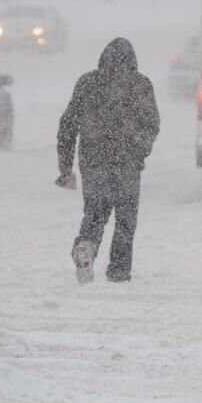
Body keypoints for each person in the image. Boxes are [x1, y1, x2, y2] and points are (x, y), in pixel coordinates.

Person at [57, 38, 160, 284]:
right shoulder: (140, 85)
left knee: (94, 213)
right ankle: (119, 271)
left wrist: (66, 167)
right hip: (126, 162)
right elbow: (152, 124)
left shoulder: (87, 83)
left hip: (93, 161)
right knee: (125, 220)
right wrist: (139, 149)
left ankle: (86, 246)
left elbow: (67, 126)